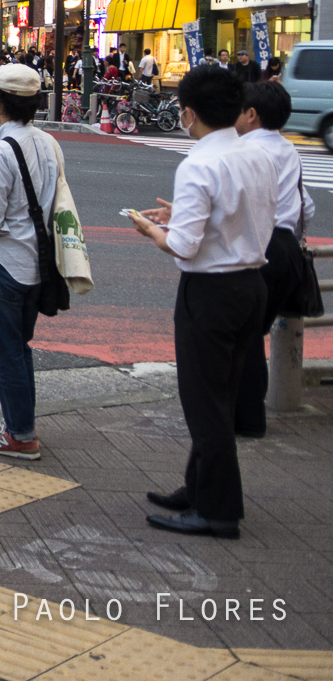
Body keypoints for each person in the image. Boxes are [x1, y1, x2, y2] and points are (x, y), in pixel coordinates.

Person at [127, 66, 274, 538]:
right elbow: (242, 214)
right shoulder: (257, 155)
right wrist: (181, 215)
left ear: (188, 113)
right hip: (251, 284)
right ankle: (198, 487)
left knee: (204, 401)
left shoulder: (198, 164)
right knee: (223, 394)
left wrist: (152, 227)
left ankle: (217, 510)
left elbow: (183, 246)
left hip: (210, 292)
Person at [0, 65, 61, 460]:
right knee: (19, 347)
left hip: (5, 263)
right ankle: (18, 422)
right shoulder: (49, 142)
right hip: (39, 264)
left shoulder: (0, 150)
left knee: (4, 351)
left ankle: (20, 435)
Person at [234, 81, 313, 438]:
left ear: (251, 114)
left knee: (241, 335)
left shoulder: (242, 150)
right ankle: (247, 416)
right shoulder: (289, 150)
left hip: (259, 245)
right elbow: (305, 205)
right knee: (251, 334)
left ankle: (246, 419)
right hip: (288, 251)